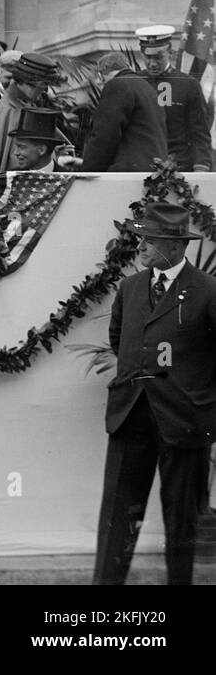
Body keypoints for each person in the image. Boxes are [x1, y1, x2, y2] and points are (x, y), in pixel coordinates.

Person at [93, 202, 216, 586]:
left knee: (180, 517)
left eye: (152, 239)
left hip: (184, 422)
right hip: (131, 417)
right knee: (117, 516)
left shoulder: (208, 291)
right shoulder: (130, 288)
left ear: (176, 246)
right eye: (141, 237)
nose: (141, 246)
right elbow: (120, 341)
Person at [135, 25, 212, 172]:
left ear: (170, 52)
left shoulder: (188, 84)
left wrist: (201, 168)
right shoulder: (133, 83)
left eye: (158, 57)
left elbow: (200, 133)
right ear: (141, 54)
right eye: (148, 57)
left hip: (180, 169)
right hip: (142, 168)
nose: (153, 63)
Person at [78, 52, 169, 173]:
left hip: (127, 175)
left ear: (100, 76)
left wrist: (87, 171)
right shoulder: (147, 87)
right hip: (153, 171)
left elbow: (105, 135)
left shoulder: (116, 85)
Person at [0, 52, 61, 172]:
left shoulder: (20, 104)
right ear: (30, 82)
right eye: (44, 84)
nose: (45, 90)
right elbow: (17, 161)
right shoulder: (11, 110)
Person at [4, 107, 64, 172]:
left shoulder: (70, 178)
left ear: (41, 150)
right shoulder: (13, 178)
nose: (15, 153)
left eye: (21, 147)